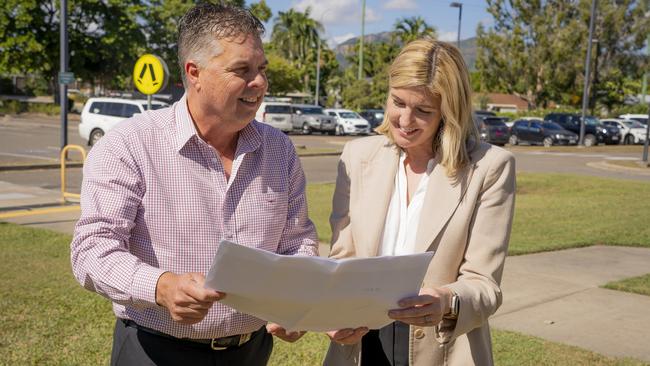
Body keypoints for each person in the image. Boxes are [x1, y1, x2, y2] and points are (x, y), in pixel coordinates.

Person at [70, 3, 318, 365]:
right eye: (242, 70)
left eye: (262, 69)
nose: (260, 82)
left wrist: (295, 303)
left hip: (250, 351)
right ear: (194, 72)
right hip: (153, 351)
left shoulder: (279, 149)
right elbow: (91, 249)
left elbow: (298, 243)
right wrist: (161, 287)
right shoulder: (130, 144)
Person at [323, 38, 516, 366]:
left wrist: (446, 300)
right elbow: (343, 260)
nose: (405, 120)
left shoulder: (490, 168)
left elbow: (485, 285)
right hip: (361, 345)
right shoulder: (357, 156)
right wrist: (334, 313)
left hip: (442, 348)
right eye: (397, 102)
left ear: (448, 112)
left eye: (423, 110)